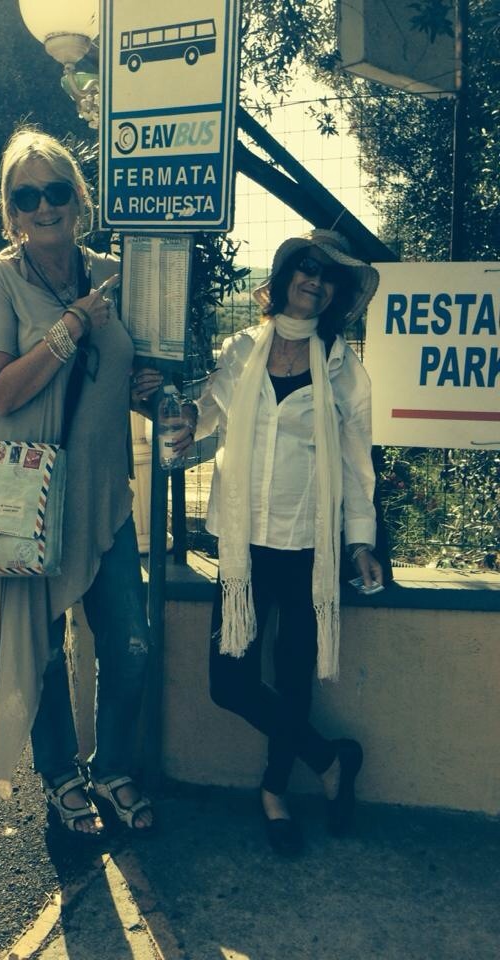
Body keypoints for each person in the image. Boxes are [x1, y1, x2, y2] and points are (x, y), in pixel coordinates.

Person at [0, 129, 163, 837]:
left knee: (132, 645)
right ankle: (60, 776)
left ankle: (112, 767)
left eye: (56, 190)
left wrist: (143, 388)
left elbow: (122, 375)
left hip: (102, 494)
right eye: (27, 197)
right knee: (43, 650)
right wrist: (70, 326)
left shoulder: (114, 273)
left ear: (78, 199)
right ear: (11, 210)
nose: (44, 206)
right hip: (25, 495)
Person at [184, 229, 383, 856]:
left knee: (294, 677)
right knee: (230, 683)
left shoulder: (342, 368)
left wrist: (361, 542)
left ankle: (274, 792)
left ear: (335, 293)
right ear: (287, 273)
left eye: (328, 277)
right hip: (242, 545)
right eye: (307, 267)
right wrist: (175, 413)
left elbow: (356, 463)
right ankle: (329, 759)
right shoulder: (242, 350)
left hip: (307, 545)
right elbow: (203, 419)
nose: (315, 281)